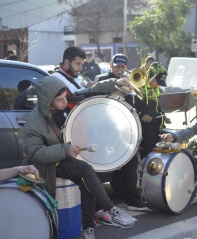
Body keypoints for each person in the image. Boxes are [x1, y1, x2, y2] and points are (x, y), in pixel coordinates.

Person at [23, 76, 138, 239]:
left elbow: (91, 91)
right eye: (60, 100)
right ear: (48, 101)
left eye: (65, 98)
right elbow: (34, 153)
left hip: (67, 156)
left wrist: (115, 83)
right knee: (85, 170)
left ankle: (88, 228)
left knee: (87, 179)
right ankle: (111, 210)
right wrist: (64, 149)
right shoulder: (34, 122)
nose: (65, 102)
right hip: (49, 164)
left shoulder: (64, 100)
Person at [93, 53, 149, 212]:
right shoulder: (101, 78)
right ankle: (97, 203)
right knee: (100, 163)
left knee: (130, 159)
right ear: (111, 65)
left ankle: (132, 197)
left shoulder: (130, 81)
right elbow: (93, 97)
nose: (119, 69)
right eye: (116, 66)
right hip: (104, 129)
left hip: (122, 129)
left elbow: (135, 105)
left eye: (122, 66)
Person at [135, 62, 171, 159]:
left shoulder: (157, 89)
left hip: (157, 126)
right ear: (151, 76)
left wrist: (164, 117)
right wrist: (141, 116)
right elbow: (132, 107)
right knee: (150, 154)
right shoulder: (139, 87)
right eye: (157, 81)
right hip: (144, 128)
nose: (158, 84)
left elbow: (157, 107)